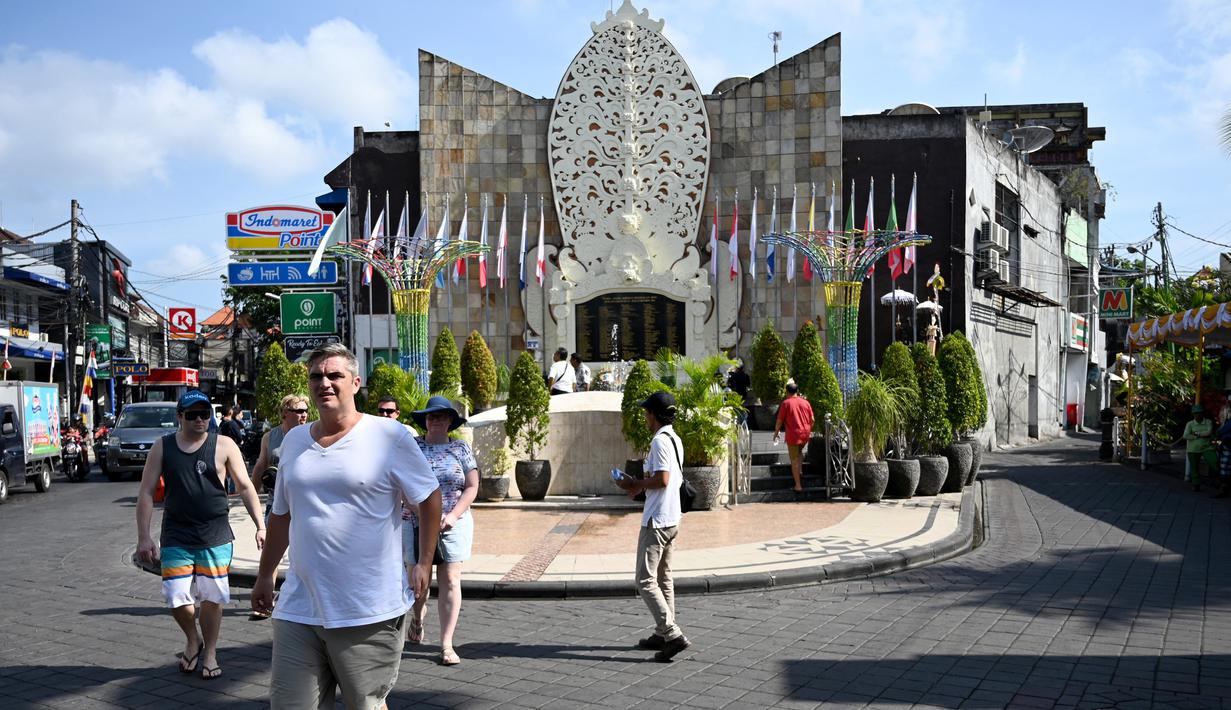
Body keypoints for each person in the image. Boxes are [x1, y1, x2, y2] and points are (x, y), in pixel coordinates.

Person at [252, 344, 442, 709]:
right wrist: (265, 575)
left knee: (366, 705)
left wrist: (424, 561)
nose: (324, 382)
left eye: (334, 375)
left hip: (367, 609)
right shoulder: (294, 441)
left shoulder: (388, 435)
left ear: (355, 383)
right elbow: (282, 514)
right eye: (316, 376)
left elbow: (429, 497)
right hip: (299, 606)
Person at [135, 390, 266, 680]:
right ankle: (192, 638)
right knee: (176, 596)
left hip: (215, 535)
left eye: (204, 414)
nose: (199, 420)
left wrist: (260, 525)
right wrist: (144, 536)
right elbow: (145, 493)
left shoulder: (224, 445)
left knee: (212, 598)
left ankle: (210, 652)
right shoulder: (162, 446)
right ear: (179, 417)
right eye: (192, 414)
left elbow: (245, 486)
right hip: (176, 534)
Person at [615, 390, 691, 662]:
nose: (645, 417)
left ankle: (672, 634)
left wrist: (635, 484)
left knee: (645, 580)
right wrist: (639, 486)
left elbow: (663, 479)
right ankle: (662, 633)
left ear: (654, 415)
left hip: (657, 520)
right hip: (672, 517)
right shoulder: (675, 439)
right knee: (663, 578)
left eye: (647, 412)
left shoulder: (659, 441)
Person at [404, 396, 479, 666]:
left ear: (450, 421)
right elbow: (400, 484)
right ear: (425, 420)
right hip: (415, 521)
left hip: (453, 522)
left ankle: (446, 643)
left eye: (441, 416)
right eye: (431, 416)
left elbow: (472, 486)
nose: (436, 420)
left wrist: (454, 515)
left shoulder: (460, 447)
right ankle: (417, 618)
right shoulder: (413, 446)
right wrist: (419, 512)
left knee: (451, 579)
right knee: (418, 581)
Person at [773, 381, 815, 494]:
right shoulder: (806, 402)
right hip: (805, 433)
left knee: (794, 459)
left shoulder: (786, 403)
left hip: (793, 435)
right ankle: (800, 471)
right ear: (797, 391)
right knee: (799, 451)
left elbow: (779, 421)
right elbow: (812, 420)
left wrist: (776, 432)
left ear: (787, 392)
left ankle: (798, 485)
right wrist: (808, 429)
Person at [1184, 404, 1216, 492]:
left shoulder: (1208, 422)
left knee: (1214, 462)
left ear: (1202, 413)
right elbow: (1185, 435)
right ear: (1193, 414)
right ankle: (1196, 484)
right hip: (1193, 449)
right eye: (1195, 413)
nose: (1197, 415)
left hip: (1207, 447)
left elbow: (1209, 432)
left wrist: (1196, 434)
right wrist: (1199, 435)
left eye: (1199, 413)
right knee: (1194, 467)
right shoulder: (1190, 424)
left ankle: (1220, 481)